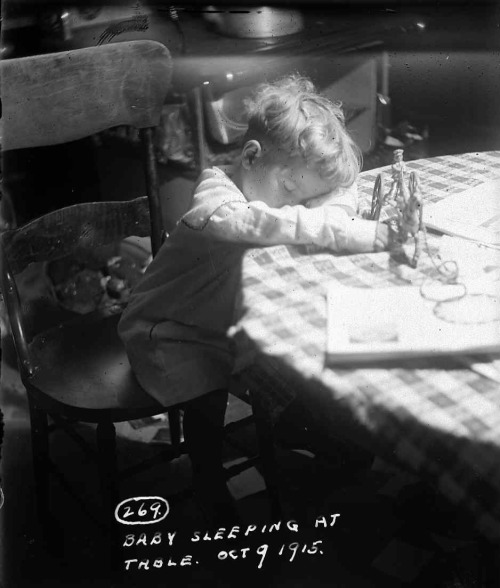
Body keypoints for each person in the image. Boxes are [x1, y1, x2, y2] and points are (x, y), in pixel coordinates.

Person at [118, 74, 392, 524]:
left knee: (283, 360)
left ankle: (298, 427)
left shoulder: (275, 194)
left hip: (220, 320)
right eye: (288, 192)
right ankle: (206, 476)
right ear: (250, 156)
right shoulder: (217, 200)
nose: (293, 210)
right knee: (206, 390)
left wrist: (323, 196)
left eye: (304, 198)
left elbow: (341, 192)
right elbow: (260, 223)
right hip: (165, 329)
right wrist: (348, 229)